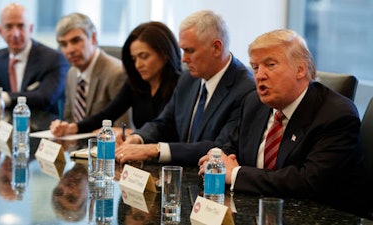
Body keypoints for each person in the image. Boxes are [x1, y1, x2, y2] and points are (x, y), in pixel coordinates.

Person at [198, 29, 371, 216]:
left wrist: (235, 174)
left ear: (300, 69)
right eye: (255, 67)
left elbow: (307, 181)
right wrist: (216, 160)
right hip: (255, 212)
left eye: (270, 65)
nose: (259, 75)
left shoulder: (336, 114)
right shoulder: (253, 103)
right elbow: (226, 150)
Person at [116, 10, 255, 165]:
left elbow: (220, 147)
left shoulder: (246, 89)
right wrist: (138, 137)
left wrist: (155, 149)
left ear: (216, 48)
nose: (183, 59)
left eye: (189, 51)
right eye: (182, 50)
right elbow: (164, 122)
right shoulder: (187, 79)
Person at [50, 21, 182, 139]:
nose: (138, 65)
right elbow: (107, 114)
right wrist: (73, 127)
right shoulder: (136, 83)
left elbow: (171, 131)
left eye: (144, 56)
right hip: (141, 155)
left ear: (165, 55)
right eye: (134, 58)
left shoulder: (182, 85)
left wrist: (134, 133)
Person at [0, 3, 69, 113]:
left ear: (30, 29)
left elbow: (45, 97)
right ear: (0, 31)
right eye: (9, 27)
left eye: (21, 26)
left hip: (43, 127)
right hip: (8, 125)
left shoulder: (54, 59)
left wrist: (2, 97)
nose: (15, 33)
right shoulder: (0, 57)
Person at [51, 13, 128, 125]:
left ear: (93, 38)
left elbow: (123, 128)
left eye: (76, 41)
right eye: (63, 44)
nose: (70, 50)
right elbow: (69, 120)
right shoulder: (71, 73)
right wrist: (62, 128)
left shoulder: (116, 73)